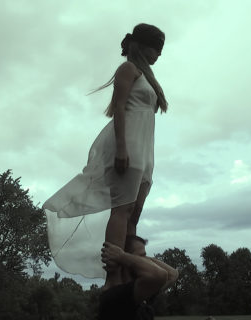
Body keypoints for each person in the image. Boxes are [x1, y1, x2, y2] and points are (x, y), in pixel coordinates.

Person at [42, 23, 168, 283]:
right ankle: (113, 279)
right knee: (121, 210)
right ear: (143, 47)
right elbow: (119, 108)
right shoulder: (128, 69)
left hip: (146, 152)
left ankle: (128, 272)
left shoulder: (147, 76)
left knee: (133, 214)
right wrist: (121, 148)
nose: (160, 55)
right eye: (157, 49)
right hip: (128, 146)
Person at [99, 235, 178, 320]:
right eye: (141, 256)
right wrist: (122, 256)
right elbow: (159, 275)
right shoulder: (116, 296)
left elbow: (172, 274)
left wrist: (139, 258)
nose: (145, 260)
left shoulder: (143, 290)